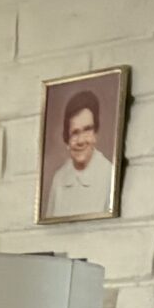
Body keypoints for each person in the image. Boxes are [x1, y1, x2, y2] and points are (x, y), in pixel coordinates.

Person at [44, 88, 114, 218]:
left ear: (95, 134)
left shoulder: (109, 175)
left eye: (87, 130)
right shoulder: (59, 178)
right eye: (75, 133)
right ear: (67, 139)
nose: (81, 140)